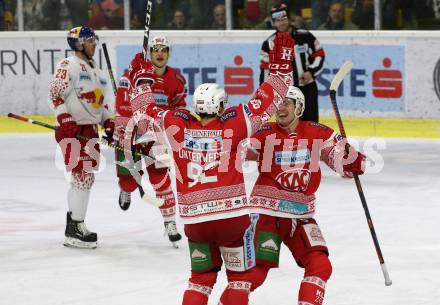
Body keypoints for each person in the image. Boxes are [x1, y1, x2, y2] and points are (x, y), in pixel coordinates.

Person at [127, 32, 294, 305]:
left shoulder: (177, 126)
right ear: (220, 106)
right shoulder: (234, 123)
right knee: (239, 280)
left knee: (201, 280)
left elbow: (143, 115)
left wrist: (141, 81)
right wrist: (281, 68)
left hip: (194, 221)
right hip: (231, 218)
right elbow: (268, 101)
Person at [247, 86, 366, 304]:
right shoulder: (264, 133)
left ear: (299, 108)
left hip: (301, 216)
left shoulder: (317, 132)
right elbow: (237, 151)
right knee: (254, 274)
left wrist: (353, 160)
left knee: (320, 265)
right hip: (267, 215)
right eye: (277, 103)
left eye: (285, 103)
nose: (279, 108)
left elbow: (343, 165)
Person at [114, 36, 187, 245]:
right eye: (155, 49)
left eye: (164, 49)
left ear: (169, 53)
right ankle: (125, 189)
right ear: (150, 52)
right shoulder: (132, 75)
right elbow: (122, 104)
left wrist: (172, 134)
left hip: (157, 138)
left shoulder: (176, 80)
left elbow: (179, 110)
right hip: (131, 133)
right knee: (128, 181)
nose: (160, 53)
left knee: (161, 180)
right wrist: (123, 131)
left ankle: (170, 222)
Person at [48, 26, 114, 249]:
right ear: (77, 44)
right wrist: (64, 119)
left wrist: (108, 122)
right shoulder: (69, 65)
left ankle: (73, 222)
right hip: (72, 130)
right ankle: (75, 227)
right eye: (89, 40)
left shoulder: (97, 71)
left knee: (85, 178)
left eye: (94, 39)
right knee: (82, 177)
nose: (94, 43)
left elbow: (100, 104)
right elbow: (55, 94)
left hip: (89, 132)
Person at [259, 3, 325, 123]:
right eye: (277, 20)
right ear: (273, 22)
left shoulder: (305, 36)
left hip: (307, 89)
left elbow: (319, 55)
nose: (281, 23)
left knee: (311, 124)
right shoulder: (269, 44)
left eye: (283, 19)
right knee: (289, 127)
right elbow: (265, 70)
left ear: (289, 19)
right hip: (285, 93)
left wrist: (311, 72)